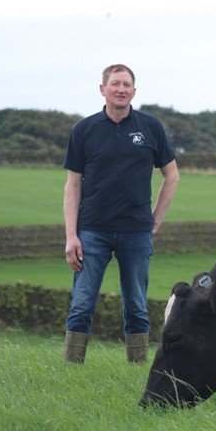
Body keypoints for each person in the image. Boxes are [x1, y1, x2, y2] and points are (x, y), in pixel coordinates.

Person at [62, 64, 179, 364]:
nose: (121, 89)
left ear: (134, 91)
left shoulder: (150, 127)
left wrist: (157, 218)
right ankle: (71, 368)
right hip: (92, 231)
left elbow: (172, 175)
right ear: (103, 89)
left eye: (126, 84)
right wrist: (71, 235)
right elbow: (73, 186)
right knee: (82, 303)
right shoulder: (84, 129)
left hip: (136, 232)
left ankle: (138, 368)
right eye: (115, 83)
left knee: (137, 306)